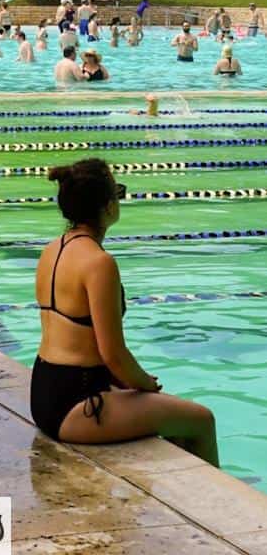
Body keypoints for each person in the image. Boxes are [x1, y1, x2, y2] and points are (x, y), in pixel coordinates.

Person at [30, 159, 218, 464]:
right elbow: (112, 353)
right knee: (201, 420)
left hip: (44, 393)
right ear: (106, 206)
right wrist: (145, 384)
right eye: (118, 192)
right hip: (79, 404)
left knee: (174, 421)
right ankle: (221, 508)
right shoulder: (98, 263)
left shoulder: (52, 249)